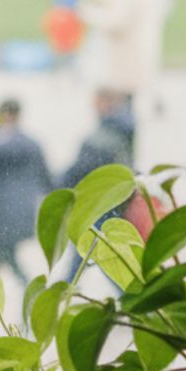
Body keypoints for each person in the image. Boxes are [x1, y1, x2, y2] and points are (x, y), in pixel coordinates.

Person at [79, 0, 172, 116]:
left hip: (125, 50)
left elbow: (117, 20)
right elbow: (126, 7)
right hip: (143, 42)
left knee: (121, 103)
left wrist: (86, 13)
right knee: (130, 97)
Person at [59, 89, 136, 283]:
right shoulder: (123, 128)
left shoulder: (105, 135)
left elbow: (82, 167)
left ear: (106, 102)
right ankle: (68, 286)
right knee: (94, 252)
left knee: (102, 253)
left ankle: (68, 289)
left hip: (100, 203)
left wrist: (59, 183)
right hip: (114, 200)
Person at [0, 99, 52, 282]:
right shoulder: (33, 144)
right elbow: (46, 180)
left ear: (1, 115)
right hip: (24, 210)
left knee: (7, 257)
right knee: (1, 255)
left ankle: (32, 293)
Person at [42, 0, 86, 73]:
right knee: (61, 45)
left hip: (69, 13)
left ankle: (66, 65)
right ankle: (61, 65)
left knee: (69, 45)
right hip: (63, 13)